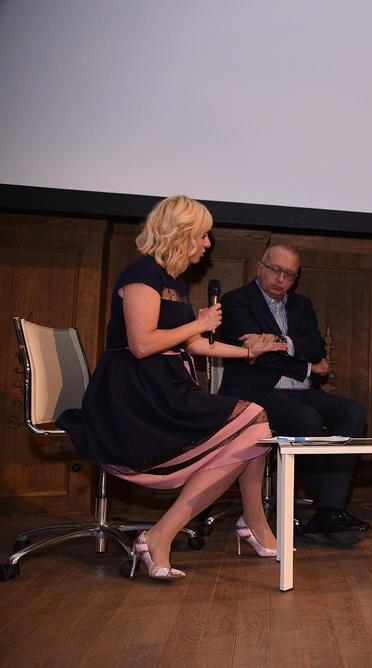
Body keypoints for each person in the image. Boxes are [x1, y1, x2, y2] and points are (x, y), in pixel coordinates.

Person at [56, 195, 287, 580]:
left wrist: (249, 353)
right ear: (180, 233)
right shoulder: (141, 275)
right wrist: (200, 324)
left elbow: (194, 345)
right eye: (202, 235)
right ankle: (166, 534)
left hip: (165, 387)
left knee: (252, 426)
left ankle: (250, 522)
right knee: (252, 419)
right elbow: (142, 344)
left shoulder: (173, 282)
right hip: (135, 395)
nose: (207, 244)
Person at [218, 244, 370, 544]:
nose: (281, 279)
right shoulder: (236, 301)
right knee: (306, 419)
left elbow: (316, 348)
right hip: (256, 392)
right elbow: (256, 356)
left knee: (354, 412)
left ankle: (328, 510)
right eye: (275, 270)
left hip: (301, 392)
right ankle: (327, 510)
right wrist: (307, 367)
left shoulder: (302, 305)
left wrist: (279, 341)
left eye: (289, 274)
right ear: (260, 268)